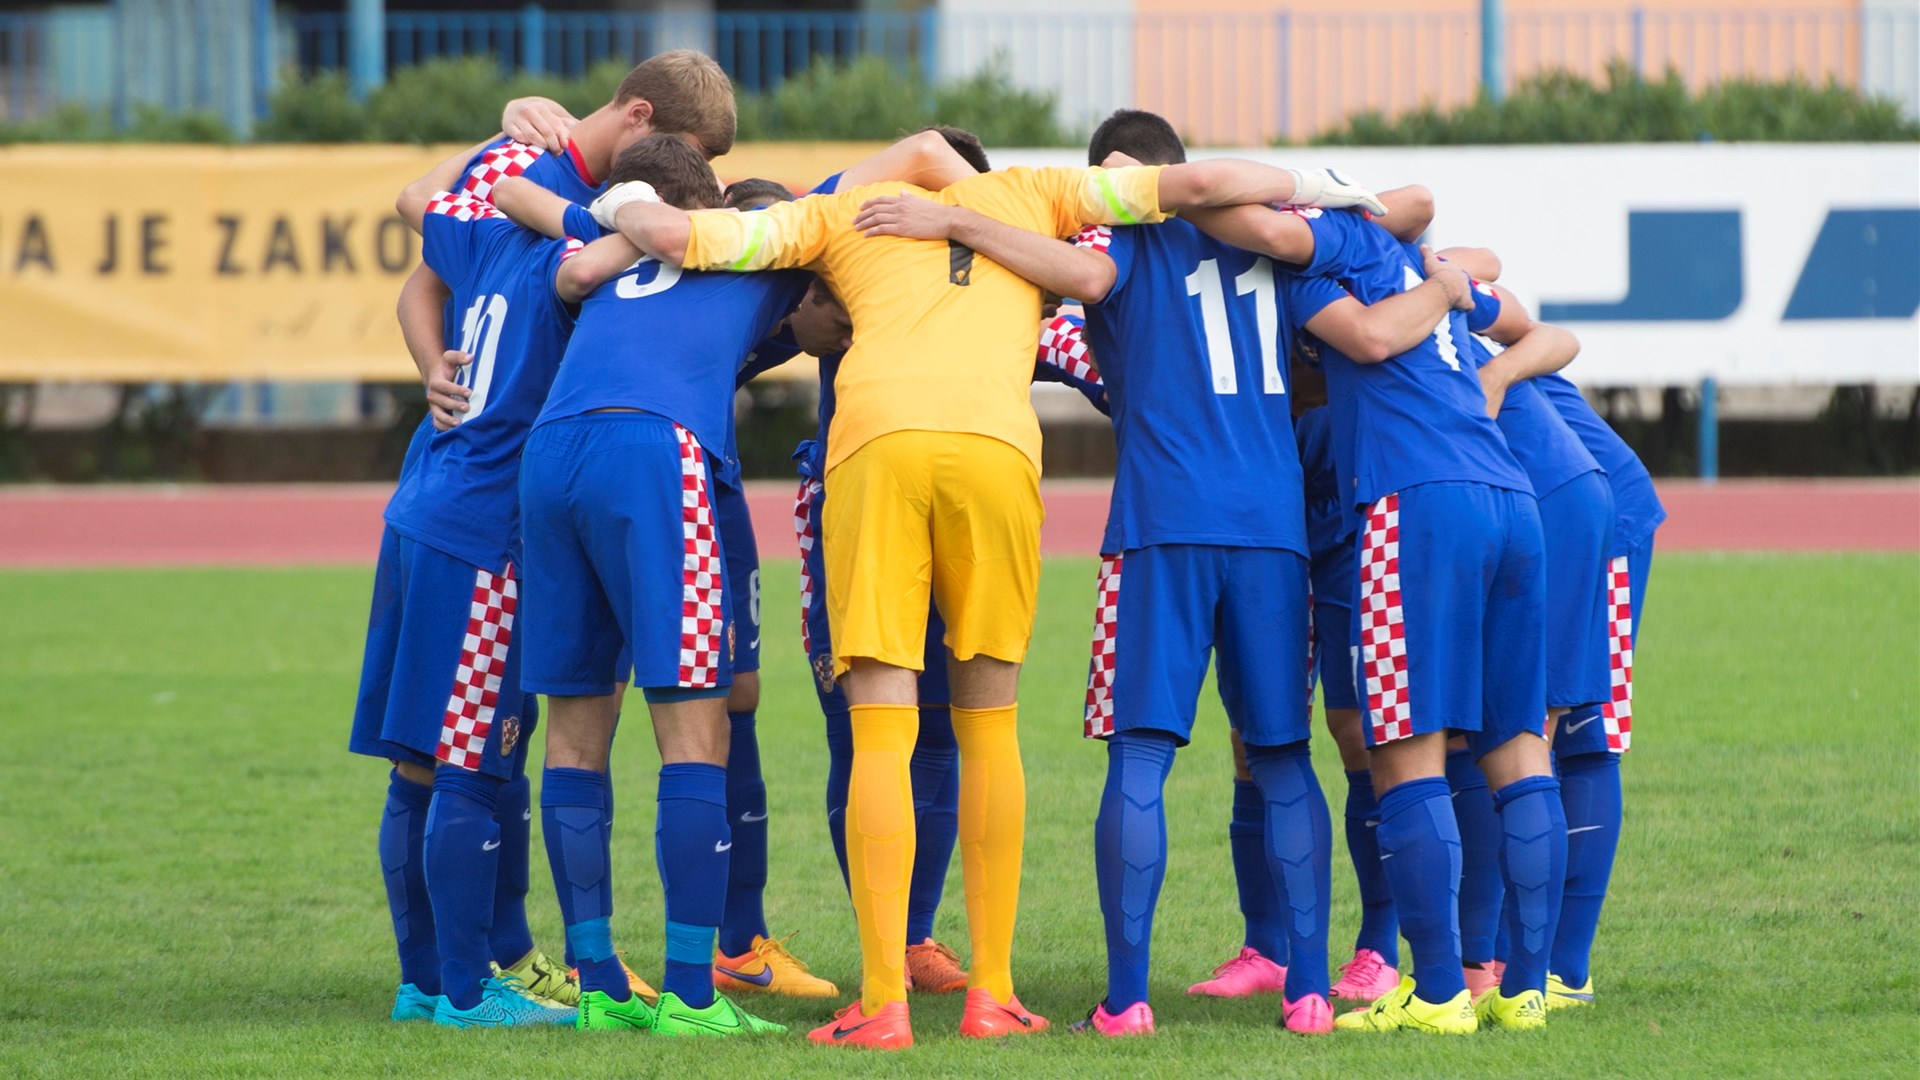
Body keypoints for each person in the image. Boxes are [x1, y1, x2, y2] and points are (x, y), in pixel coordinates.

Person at [590, 146, 1386, 1049]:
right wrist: (1332, 185)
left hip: (883, 448)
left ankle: (884, 1002)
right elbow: (1199, 190)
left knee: (882, 727)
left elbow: (679, 237)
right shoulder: (1040, 193)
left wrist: (614, 198)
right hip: (1008, 455)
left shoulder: (843, 205)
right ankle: (995, 996)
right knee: (993, 723)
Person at [861, 110, 1472, 1037]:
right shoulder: (1272, 241)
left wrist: (956, 220)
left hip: (1160, 527)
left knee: (1140, 756)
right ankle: (1309, 993)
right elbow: (1398, 228)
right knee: (1283, 757)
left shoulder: (1117, 237)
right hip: (1273, 531)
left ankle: (1128, 1000)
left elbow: (1078, 279)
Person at [1190, 203, 1568, 1033]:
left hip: (1416, 504)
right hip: (1511, 499)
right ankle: (1524, 990)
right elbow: (1484, 269)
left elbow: (1362, 337)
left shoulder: (1323, 278)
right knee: (1519, 748)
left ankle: (1436, 994)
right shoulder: (1419, 264)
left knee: (1401, 754)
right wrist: (1449, 282)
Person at [347, 135, 639, 1027]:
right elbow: (590, 265)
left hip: (423, 502)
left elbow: (414, 204)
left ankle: (429, 981)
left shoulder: (481, 238)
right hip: (485, 529)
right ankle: (468, 995)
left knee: (423, 763)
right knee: (474, 761)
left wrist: (484, 146)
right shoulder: (562, 253)